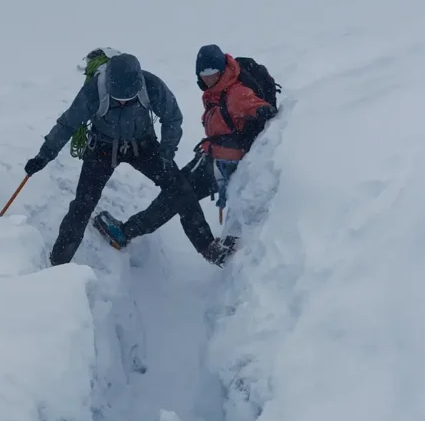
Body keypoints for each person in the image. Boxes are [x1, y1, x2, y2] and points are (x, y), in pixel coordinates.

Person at [24, 51, 228, 267]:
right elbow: (68, 124)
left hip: (143, 146)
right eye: (118, 99)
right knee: (82, 205)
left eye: (128, 99)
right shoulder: (95, 90)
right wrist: (44, 155)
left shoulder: (151, 85)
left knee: (181, 190)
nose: (122, 103)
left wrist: (167, 152)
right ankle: (58, 264)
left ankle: (208, 247)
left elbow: (172, 117)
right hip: (102, 149)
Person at [95, 45, 277, 264]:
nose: (209, 79)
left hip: (225, 164)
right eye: (204, 76)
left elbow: (260, 109)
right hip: (214, 157)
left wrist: (260, 114)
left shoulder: (236, 93)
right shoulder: (222, 87)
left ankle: (127, 233)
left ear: (222, 70)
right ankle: (205, 246)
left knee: (176, 197)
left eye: (213, 74)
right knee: (177, 195)